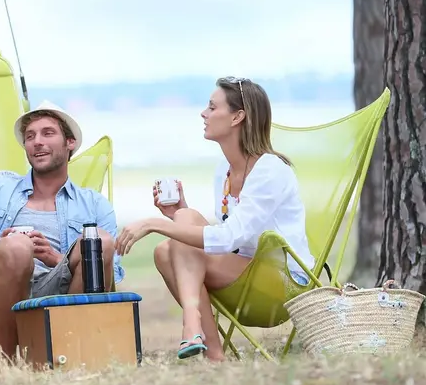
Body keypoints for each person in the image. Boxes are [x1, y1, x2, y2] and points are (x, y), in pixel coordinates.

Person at [115, 77, 314, 362]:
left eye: (212, 107)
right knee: (166, 247)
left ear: (237, 117)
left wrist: (154, 224)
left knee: (175, 233)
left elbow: (228, 238)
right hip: (244, 274)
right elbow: (230, 236)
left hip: (282, 286)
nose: (203, 113)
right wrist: (178, 215)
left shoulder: (270, 170)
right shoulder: (224, 170)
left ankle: (191, 322)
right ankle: (214, 354)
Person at [0, 101, 124, 359]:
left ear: (70, 143)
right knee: (17, 247)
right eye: (30, 136)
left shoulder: (93, 204)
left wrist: (55, 258)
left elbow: (112, 272)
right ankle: (6, 360)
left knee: (99, 241)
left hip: (64, 288)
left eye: (48, 133)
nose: (37, 142)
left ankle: (70, 353)